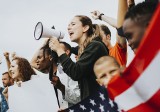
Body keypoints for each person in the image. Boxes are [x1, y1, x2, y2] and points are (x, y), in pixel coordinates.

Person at [49, 15, 108, 100]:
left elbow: (76, 72)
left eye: (73, 24)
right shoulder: (85, 48)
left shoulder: (95, 46)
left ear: (85, 28)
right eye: (68, 26)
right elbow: (71, 50)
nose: (68, 28)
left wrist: (59, 49)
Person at [31, 40, 80, 109]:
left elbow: (78, 98)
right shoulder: (48, 74)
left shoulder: (71, 71)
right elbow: (32, 63)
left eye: (58, 48)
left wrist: (61, 87)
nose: (55, 50)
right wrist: (45, 43)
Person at [91, 0, 128, 67]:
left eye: (99, 37)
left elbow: (119, 26)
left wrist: (101, 16)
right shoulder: (96, 60)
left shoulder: (117, 50)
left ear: (108, 37)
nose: (97, 41)